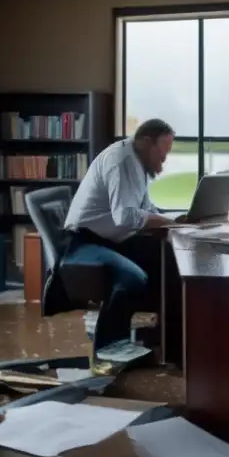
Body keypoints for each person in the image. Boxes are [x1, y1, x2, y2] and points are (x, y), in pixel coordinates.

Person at [61, 118, 178, 364]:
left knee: (168, 258)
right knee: (132, 274)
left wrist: (172, 218)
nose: (163, 163)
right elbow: (125, 216)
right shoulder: (123, 162)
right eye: (162, 154)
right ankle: (108, 350)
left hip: (112, 237)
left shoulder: (137, 162)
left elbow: (145, 208)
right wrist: (169, 222)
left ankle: (165, 339)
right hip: (87, 241)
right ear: (147, 142)